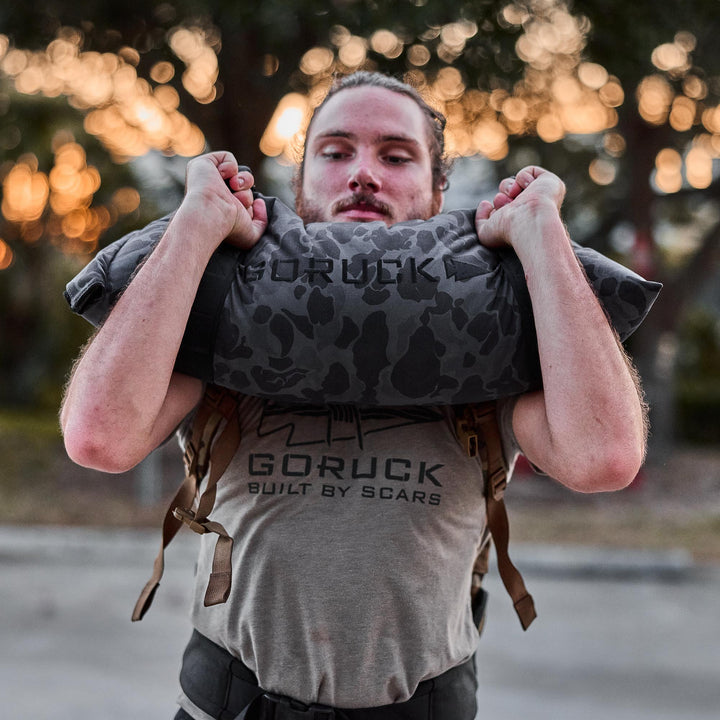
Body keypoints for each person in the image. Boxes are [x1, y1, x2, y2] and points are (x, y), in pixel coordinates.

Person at [60, 72, 647, 719]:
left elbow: (605, 457)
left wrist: (540, 231)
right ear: (300, 183)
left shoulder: (491, 339)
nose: (363, 174)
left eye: (396, 156)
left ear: (437, 189)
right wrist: (198, 223)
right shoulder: (226, 321)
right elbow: (99, 438)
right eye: (336, 152)